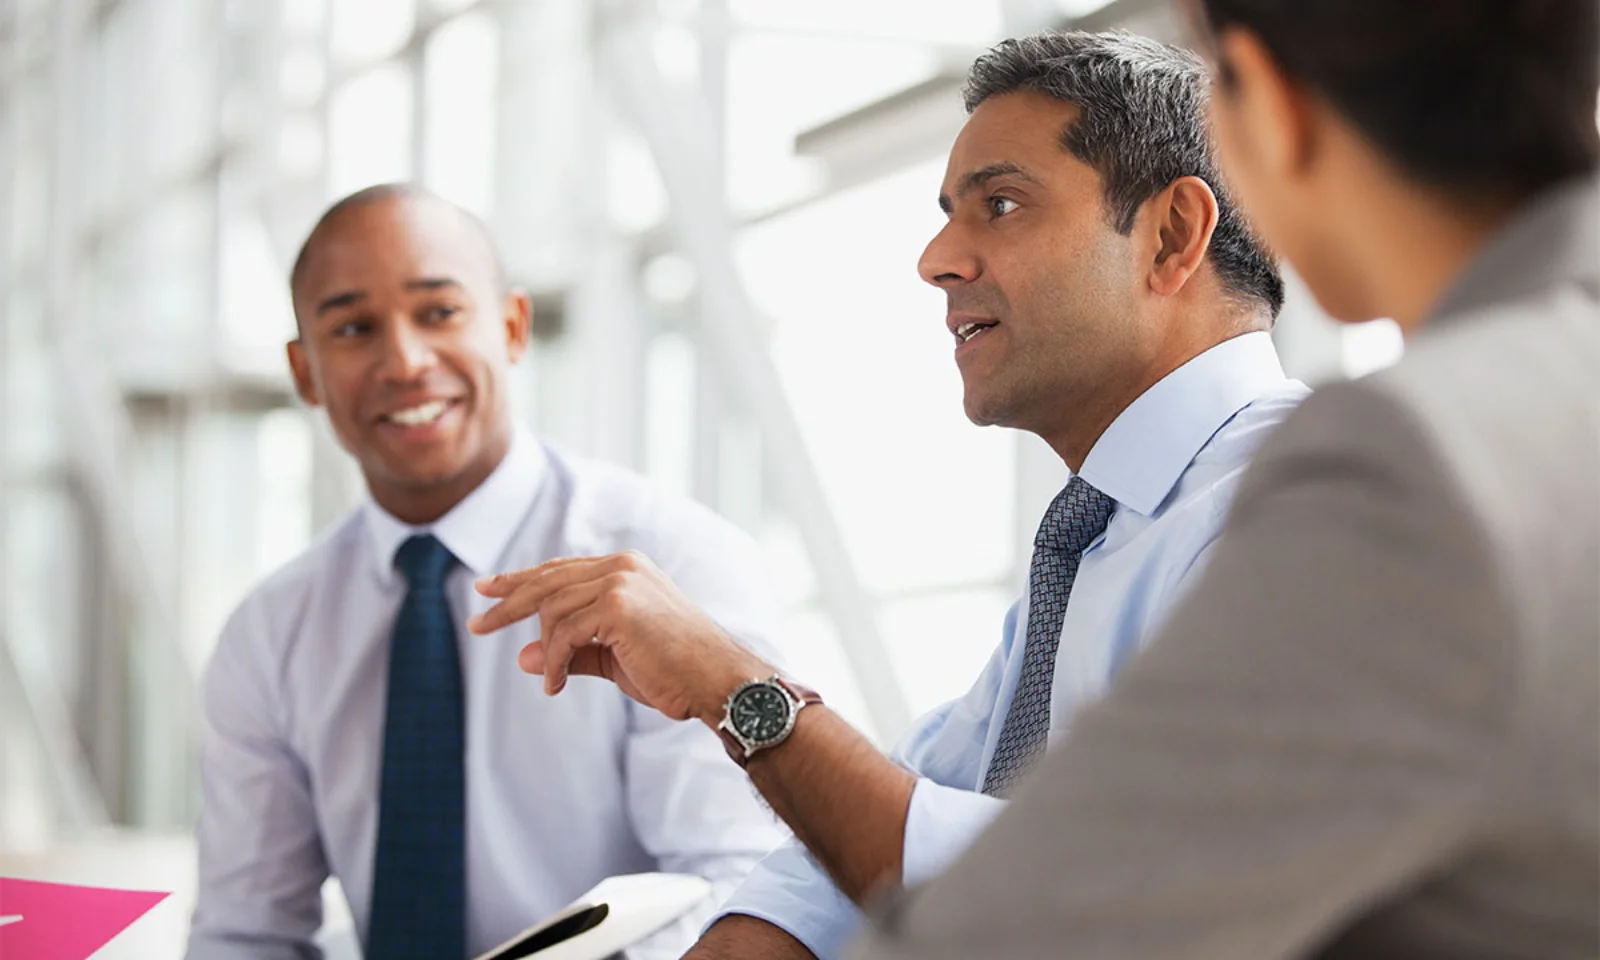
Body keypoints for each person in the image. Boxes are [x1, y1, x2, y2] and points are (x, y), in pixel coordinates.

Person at [466, 32, 1308, 960]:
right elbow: (882, 838)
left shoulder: (1297, 516)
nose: (938, 258)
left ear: (1171, 237)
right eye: (951, 214)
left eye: (1000, 204)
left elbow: (1080, 897)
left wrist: (730, 683)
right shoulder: (1093, 537)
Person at [846, 1, 1600, 957]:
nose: (937, 262)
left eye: (998, 204)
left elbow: (1021, 933)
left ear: (1268, 104)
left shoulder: (1409, 468)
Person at [185, 184, 788, 960]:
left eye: (438, 313)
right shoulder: (270, 633)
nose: (404, 360)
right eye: (354, 327)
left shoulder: (672, 563)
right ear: (305, 373)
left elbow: (735, 889)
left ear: (511, 326)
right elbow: (246, 934)